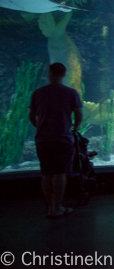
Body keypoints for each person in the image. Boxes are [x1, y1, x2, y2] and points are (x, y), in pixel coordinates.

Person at [29, 62, 83, 218]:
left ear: (50, 73)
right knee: (60, 173)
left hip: (43, 139)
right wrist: (75, 128)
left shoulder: (38, 93)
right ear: (64, 74)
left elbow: (31, 116)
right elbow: (78, 114)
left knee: (46, 173)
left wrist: (39, 127)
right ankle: (57, 207)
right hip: (63, 139)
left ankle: (50, 207)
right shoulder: (71, 93)